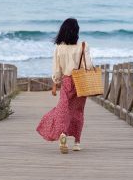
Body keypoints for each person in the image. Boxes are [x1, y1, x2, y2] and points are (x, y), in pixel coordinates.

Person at [36, 18, 93, 153]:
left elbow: (57, 70)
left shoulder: (59, 48)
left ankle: (62, 133)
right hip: (80, 81)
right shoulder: (83, 46)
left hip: (67, 80)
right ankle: (77, 143)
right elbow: (89, 65)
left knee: (63, 108)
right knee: (78, 111)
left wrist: (55, 83)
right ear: (76, 32)